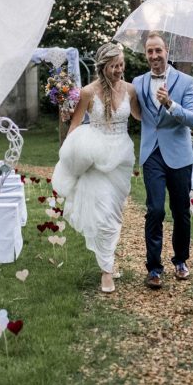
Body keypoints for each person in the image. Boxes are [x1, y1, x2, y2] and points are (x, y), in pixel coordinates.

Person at [52, 42, 137, 293]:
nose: (118, 70)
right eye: (113, 66)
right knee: (103, 215)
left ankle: (108, 258)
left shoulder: (131, 90)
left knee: (115, 212)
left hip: (120, 159)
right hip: (95, 158)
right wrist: (71, 154)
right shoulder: (88, 92)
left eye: (121, 65)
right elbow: (75, 125)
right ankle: (106, 272)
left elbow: (140, 116)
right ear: (102, 67)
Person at [132, 32, 193, 289]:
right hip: (152, 154)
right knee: (156, 210)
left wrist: (171, 104)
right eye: (149, 51)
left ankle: (181, 260)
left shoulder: (186, 81)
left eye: (157, 51)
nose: (153, 56)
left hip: (180, 155)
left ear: (166, 52)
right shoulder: (137, 82)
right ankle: (154, 268)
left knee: (181, 210)